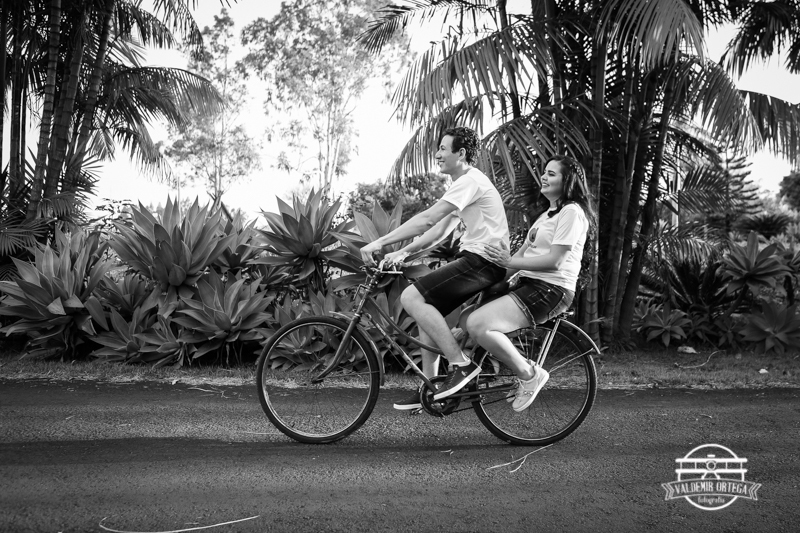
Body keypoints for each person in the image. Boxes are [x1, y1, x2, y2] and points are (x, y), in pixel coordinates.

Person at [360, 126, 510, 410]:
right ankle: (429, 389)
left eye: (443, 148)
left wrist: (379, 242)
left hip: (483, 261)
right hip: (479, 260)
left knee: (411, 297)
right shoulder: (464, 185)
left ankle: (461, 365)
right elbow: (439, 230)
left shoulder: (470, 181)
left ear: (461, 153)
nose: (437, 154)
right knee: (426, 308)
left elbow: (428, 219)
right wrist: (403, 252)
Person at [466, 155, 597, 412]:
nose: (544, 177)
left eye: (552, 174)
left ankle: (529, 375)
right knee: (465, 319)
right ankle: (466, 377)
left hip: (551, 289)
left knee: (477, 324)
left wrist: (509, 261)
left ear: (568, 181)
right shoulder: (545, 216)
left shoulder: (571, 212)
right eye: (544, 172)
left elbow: (556, 261)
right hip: (530, 284)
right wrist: (487, 279)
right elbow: (517, 259)